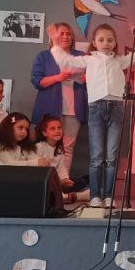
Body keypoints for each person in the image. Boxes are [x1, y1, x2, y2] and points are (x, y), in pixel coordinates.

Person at [49, 23, 135, 209]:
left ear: (115, 43)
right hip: (96, 107)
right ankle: (95, 195)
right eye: (101, 40)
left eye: (110, 40)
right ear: (94, 42)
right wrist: (55, 44)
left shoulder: (119, 61)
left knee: (111, 156)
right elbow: (66, 62)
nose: (106, 43)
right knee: (97, 156)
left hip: (116, 107)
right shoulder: (88, 60)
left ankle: (109, 196)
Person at [31, 22, 88, 189]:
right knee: (42, 146)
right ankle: (41, 186)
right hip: (49, 109)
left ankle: (61, 185)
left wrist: (86, 79)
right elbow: (37, 81)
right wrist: (58, 77)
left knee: (67, 148)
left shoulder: (80, 55)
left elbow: (90, 78)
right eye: (61, 33)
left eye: (68, 33)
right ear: (53, 37)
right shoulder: (43, 56)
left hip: (74, 109)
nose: (65, 36)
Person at [35, 115, 88, 202]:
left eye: (59, 128)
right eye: (52, 129)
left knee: (80, 182)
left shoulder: (59, 149)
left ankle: (63, 192)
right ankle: (71, 196)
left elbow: (62, 168)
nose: (57, 131)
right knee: (50, 188)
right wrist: (58, 182)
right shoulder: (39, 147)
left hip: (57, 181)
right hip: (43, 181)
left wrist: (65, 179)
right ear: (44, 133)